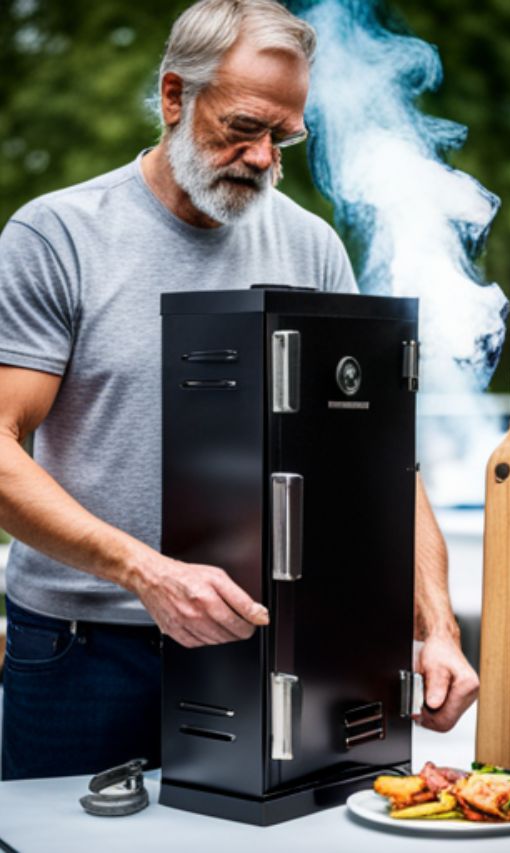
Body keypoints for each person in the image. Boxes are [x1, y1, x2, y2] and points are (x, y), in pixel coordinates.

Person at [0, 0, 478, 781]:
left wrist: (436, 626)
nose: (262, 158)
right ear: (173, 96)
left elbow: (382, 463)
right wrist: (146, 572)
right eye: (242, 128)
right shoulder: (57, 237)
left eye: (283, 138)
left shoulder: (310, 247)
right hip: (84, 654)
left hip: (268, 646)